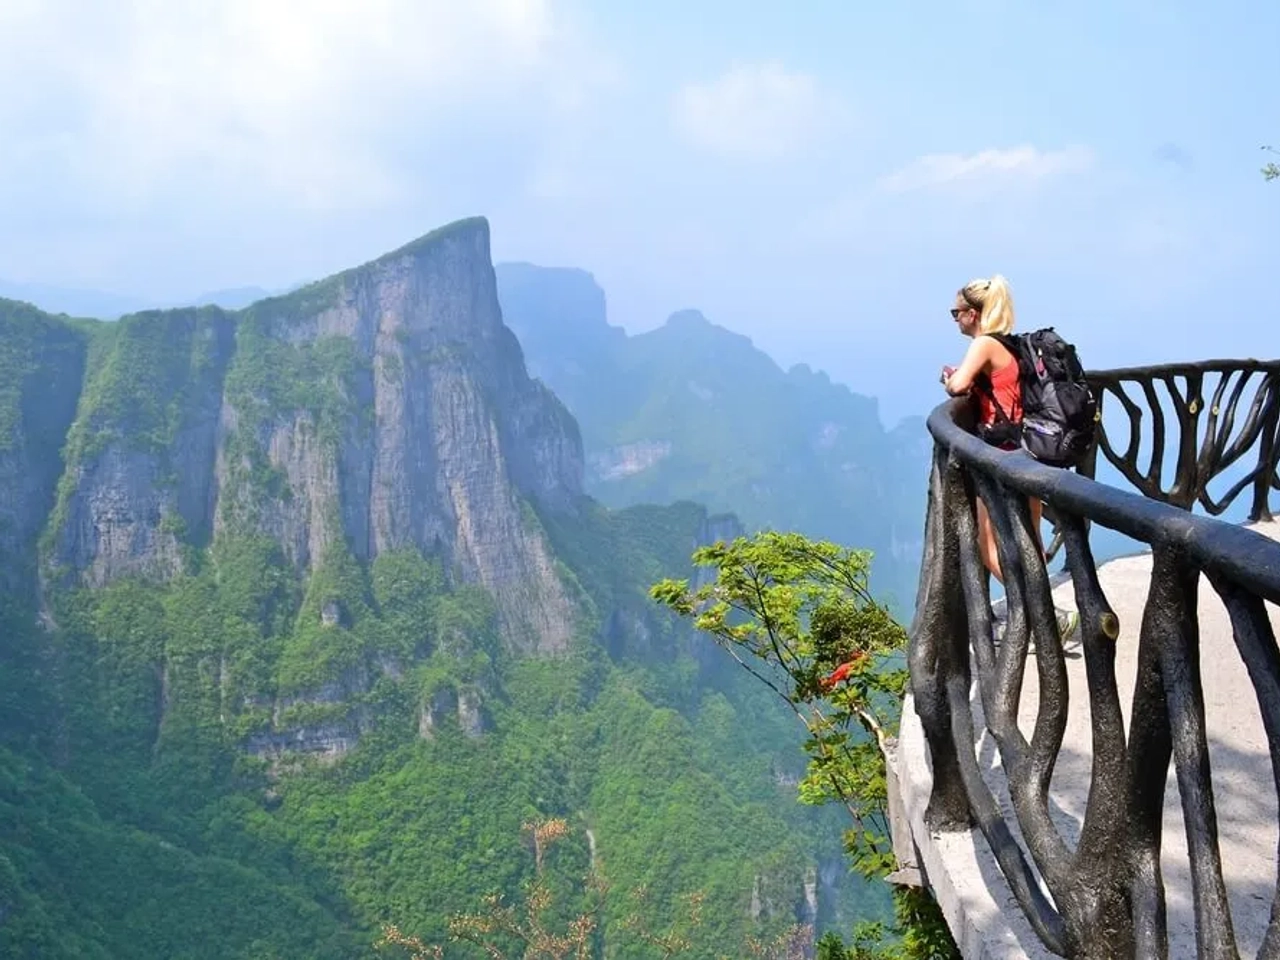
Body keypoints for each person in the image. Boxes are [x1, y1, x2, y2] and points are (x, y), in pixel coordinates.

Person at [939, 275, 1079, 644]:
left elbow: (957, 386)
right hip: (1028, 450)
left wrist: (950, 378)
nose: (954, 319)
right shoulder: (1014, 345)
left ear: (973, 313)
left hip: (999, 457)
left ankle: (1047, 617)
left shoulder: (984, 344)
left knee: (988, 547)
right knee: (1029, 542)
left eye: (956, 313)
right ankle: (1044, 617)